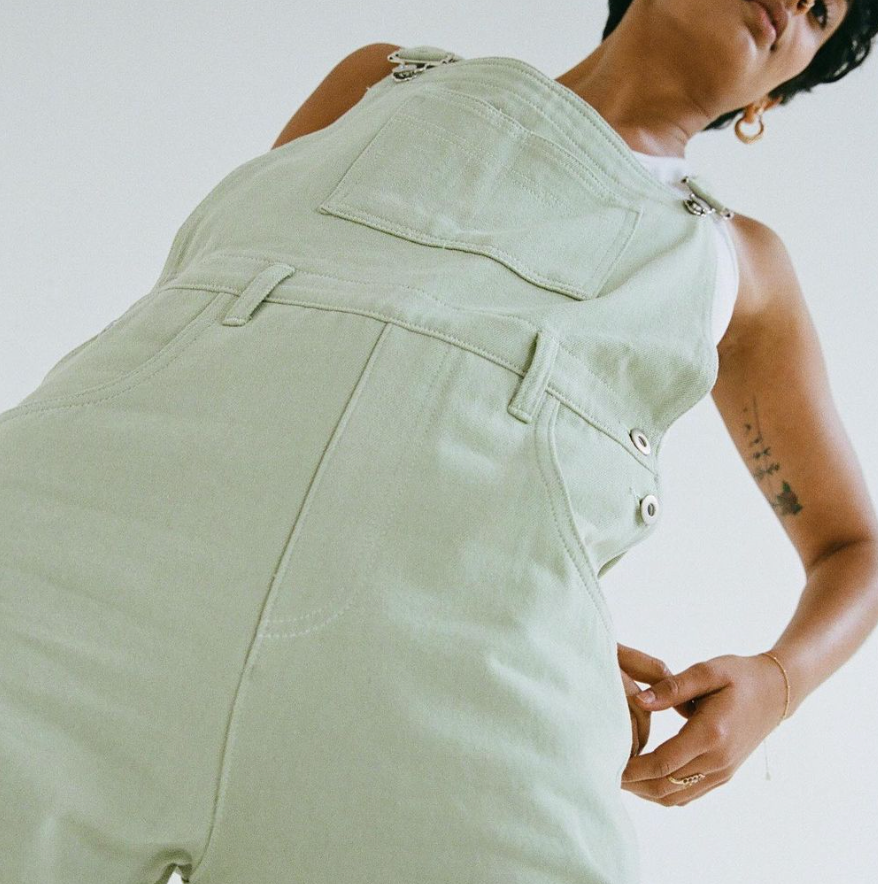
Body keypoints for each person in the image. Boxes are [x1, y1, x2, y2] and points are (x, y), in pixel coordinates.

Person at [2, 3, 878, 884]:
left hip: (451, 687)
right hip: (89, 573)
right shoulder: (380, 80)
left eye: (820, 14)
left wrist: (777, 683)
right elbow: (212, 326)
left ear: (772, 99)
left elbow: (856, 548)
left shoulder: (741, 268)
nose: (795, 1)